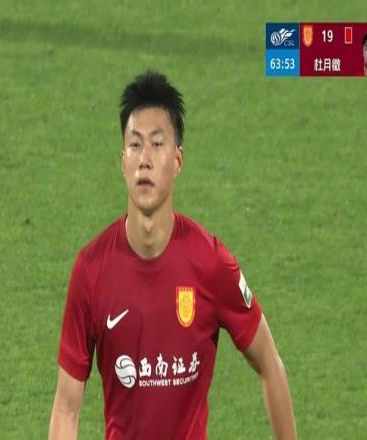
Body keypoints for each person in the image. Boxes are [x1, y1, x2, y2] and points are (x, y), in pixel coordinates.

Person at [49, 71, 297, 439]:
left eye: (157, 144)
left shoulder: (210, 263)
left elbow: (270, 364)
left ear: (178, 161)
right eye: (135, 145)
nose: (144, 160)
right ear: (122, 161)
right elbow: (66, 407)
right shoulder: (91, 271)